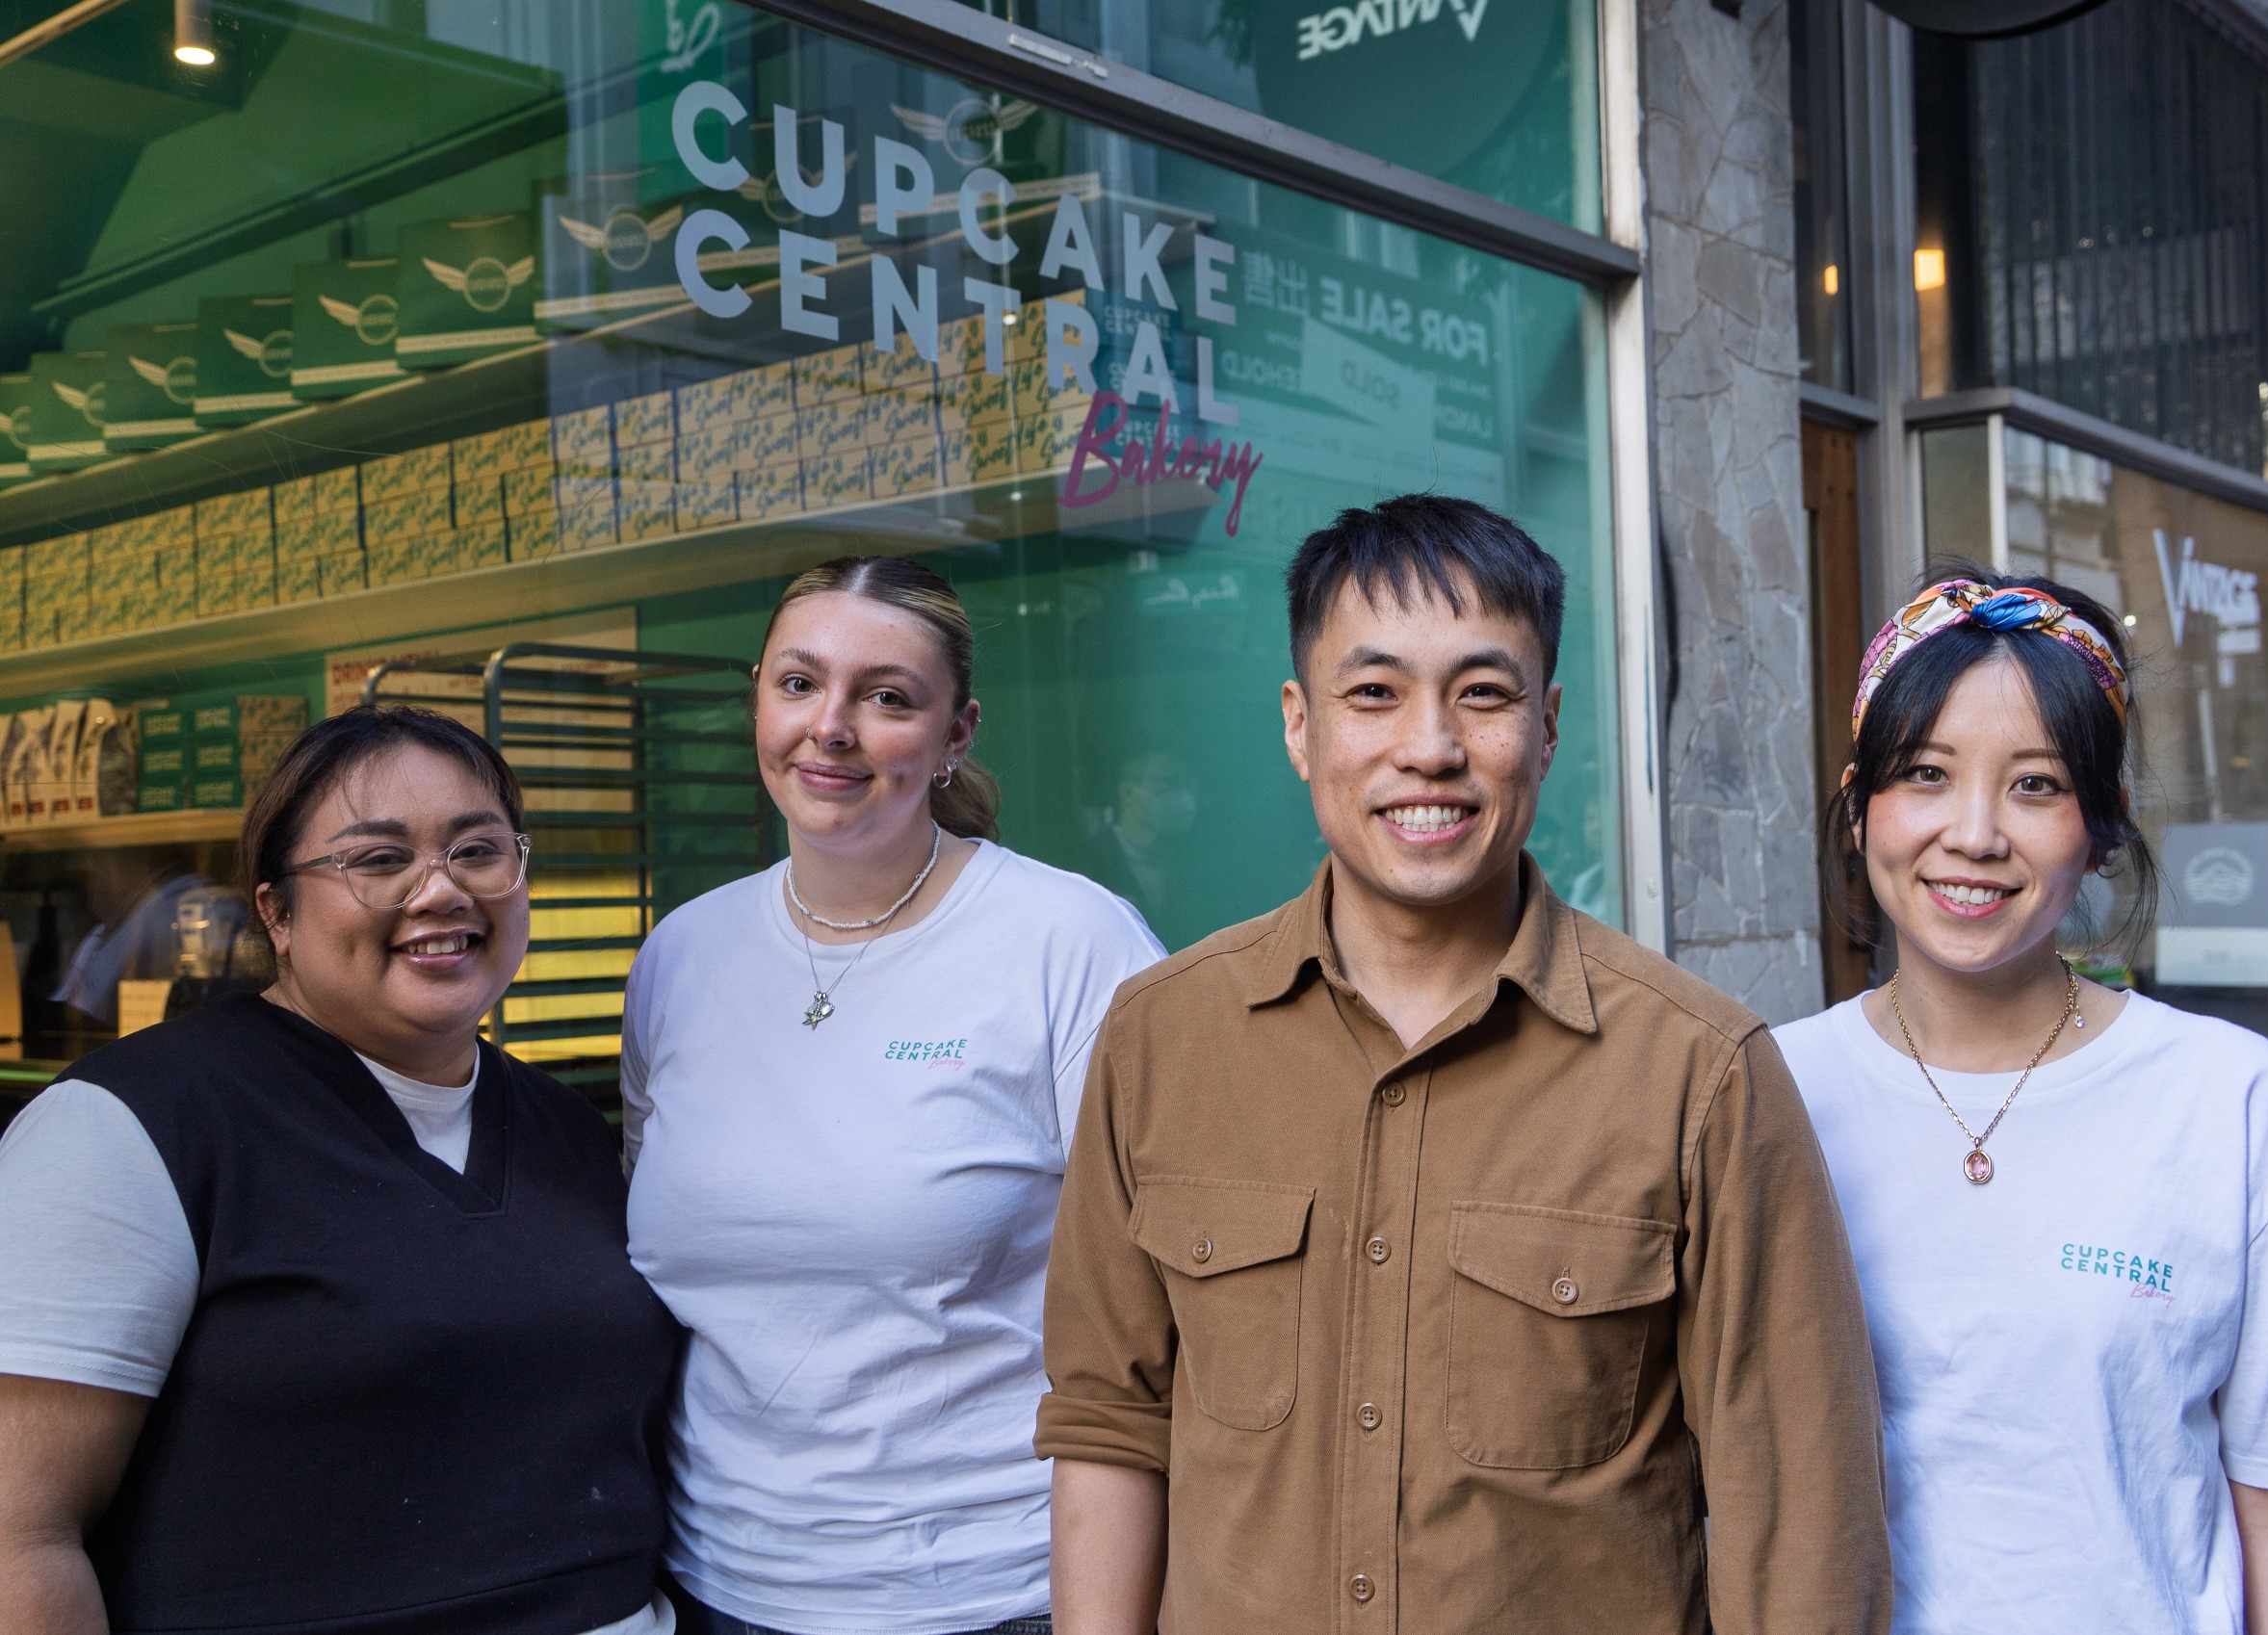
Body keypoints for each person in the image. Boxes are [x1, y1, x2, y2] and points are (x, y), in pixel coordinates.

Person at [1037, 494, 1893, 1634]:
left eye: (1483, 694)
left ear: (1547, 728)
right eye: (1373, 694)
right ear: (1299, 726)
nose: (1430, 748)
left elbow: (1797, 1513)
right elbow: (1110, 1424)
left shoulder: (1699, 1074)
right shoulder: (1161, 1038)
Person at [1776, 572, 2268, 1634]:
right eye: (1925, 772)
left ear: (2102, 828)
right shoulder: (1767, 1095)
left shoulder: (2231, 1101)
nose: (1974, 833)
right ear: (1859, 803)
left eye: (2037, 784)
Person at [0, 705, 681, 1635]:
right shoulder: (131, 1126)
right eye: (378, 859)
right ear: (276, 911)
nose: (440, 891)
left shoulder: (566, 1129)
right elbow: (21, 1536)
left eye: (478, 851)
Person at [622, 557, 1165, 1635]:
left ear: (956, 733)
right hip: (714, 1584)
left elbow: (1163, 1307)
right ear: (758, 701)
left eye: (885, 697)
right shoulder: (681, 956)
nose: (830, 728)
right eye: (798, 683)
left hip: (987, 1591)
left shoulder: (1069, 943)